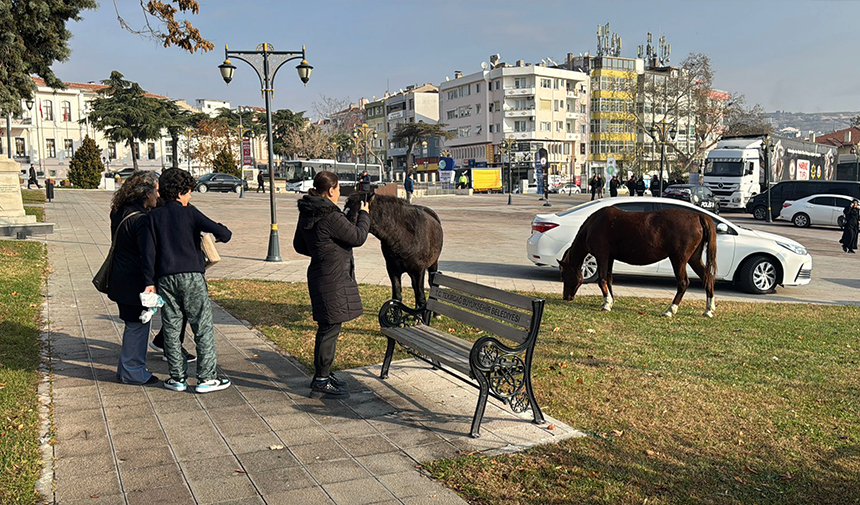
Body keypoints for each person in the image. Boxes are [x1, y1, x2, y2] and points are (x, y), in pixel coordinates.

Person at [148, 168, 233, 393]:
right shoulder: (190, 213)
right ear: (180, 192)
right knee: (202, 326)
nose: (191, 196)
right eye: (188, 192)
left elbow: (149, 253)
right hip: (192, 276)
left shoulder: (153, 217)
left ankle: (177, 377)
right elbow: (224, 233)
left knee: (171, 327)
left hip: (165, 278)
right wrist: (219, 233)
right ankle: (206, 378)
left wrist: (149, 280)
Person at [293, 171, 370, 398]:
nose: (338, 193)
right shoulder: (330, 215)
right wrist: (364, 214)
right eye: (337, 189)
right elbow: (358, 237)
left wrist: (321, 250)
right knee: (329, 329)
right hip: (332, 278)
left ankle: (323, 375)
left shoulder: (308, 212)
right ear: (331, 190)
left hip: (320, 273)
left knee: (328, 327)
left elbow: (299, 244)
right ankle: (321, 380)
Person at [106, 170, 159, 385]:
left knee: (132, 324)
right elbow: (147, 256)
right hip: (135, 281)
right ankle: (133, 371)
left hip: (120, 277)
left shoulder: (119, 211)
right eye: (156, 190)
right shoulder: (142, 220)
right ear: (145, 193)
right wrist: (150, 284)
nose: (158, 195)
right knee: (138, 326)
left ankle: (126, 369)